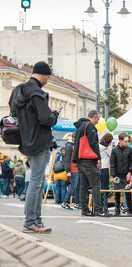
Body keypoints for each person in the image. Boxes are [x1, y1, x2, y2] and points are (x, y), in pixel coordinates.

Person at [9, 61, 59, 233]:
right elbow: (46, 120)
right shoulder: (38, 94)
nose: (47, 81)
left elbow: (14, 112)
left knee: (37, 181)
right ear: (44, 75)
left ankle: (36, 221)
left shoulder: (18, 91)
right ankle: (31, 221)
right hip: (40, 142)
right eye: (48, 78)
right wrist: (54, 114)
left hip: (26, 141)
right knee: (36, 182)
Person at [73, 110, 111, 217]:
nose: (98, 122)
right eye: (98, 119)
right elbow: (93, 143)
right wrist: (98, 158)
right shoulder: (90, 126)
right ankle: (98, 209)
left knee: (83, 186)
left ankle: (85, 210)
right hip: (88, 159)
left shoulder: (80, 127)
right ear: (94, 117)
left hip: (80, 160)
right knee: (96, 183)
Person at [110, 132, 132, 216]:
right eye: (125, 141)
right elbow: (112, 163)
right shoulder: (114, 150)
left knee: (127, 192)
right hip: (117, 174)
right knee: (117, 192)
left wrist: (130, 172)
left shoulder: (129, 150)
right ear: (120, 141)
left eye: (127, 141)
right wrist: (114, 175)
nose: (126, 143)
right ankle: (117, 209)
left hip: (126, 175)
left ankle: (130, 208)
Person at [61, 134, 80, 210]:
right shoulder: (69, 146)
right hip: (73, 169)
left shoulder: (72, 146)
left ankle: (77, 203)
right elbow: (66, 159)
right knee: (73, 186)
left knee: (77, 186)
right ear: (72, 138)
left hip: (76, 169)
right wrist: (68, 170)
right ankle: (65, 202)